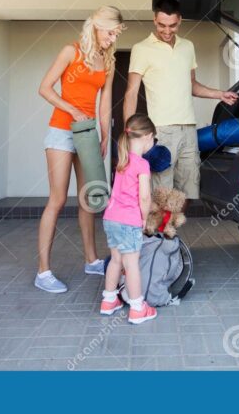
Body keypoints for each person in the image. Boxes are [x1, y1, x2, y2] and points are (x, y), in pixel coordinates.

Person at [35, 6, 123, 293]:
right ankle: (43, 272)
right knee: (57, 200)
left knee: (88, 199)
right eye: (110, 32)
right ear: (97, 26)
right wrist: (72, 109)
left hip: (87, 135)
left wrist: (105, 136)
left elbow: (105, 102)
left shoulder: (107, 61)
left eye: (116, 34)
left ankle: (91, 260)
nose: (112, 38)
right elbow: (45, 88)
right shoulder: (70, 51)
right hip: (61, 131)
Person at [123, 0, 238, 210]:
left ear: (180, 21)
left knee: (184, 195)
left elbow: (191, 85)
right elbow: (131, 93)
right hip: (160, 130)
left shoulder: (188, 47)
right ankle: (158, 240)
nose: (167, 31)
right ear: (154, 20)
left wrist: (219, 94)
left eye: (172, 25)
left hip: (188, 129)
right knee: (161, 194)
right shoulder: (142, 49)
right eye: (161, 25)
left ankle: (171, 238)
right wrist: (129, 133)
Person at [99, 113, 158, 324]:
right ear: (148, 137)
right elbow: (144, 196)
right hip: (128, 221)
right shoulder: (142, 164)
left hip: (111, 218)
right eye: (154, 140)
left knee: (116, 260)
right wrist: (144, 217)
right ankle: (137, 307)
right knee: (132, 264)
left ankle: (108, 301)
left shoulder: (122, 160)